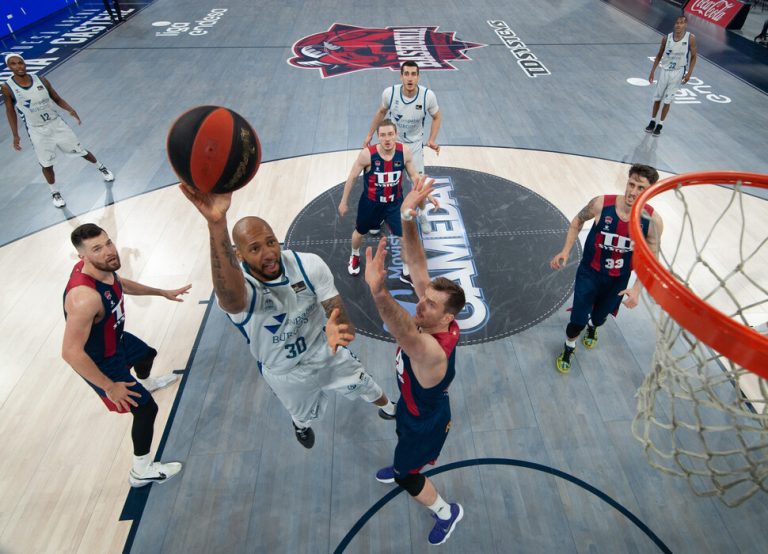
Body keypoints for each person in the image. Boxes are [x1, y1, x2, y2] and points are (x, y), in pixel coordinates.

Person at [180, 183, 397, 449]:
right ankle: (300, 424)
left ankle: (390, 407)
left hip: (324, 351)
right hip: (285, 371)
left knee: (365, 383)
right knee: (302, 413)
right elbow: (231, 300)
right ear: (239, 255)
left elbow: (342, 322)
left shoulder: (307, 264)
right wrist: (217, 224)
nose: (269, 253)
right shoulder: (242, 290)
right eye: (255, 248)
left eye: (271, 242)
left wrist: (339, 329)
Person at [364, 176, 466, 546]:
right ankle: (402, 458)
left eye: (430, 304)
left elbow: (402, 329)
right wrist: (407, 215)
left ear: (447, 319)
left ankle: (445, 511)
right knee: (401, 439)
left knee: (409, 476)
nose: (420, 304)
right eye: (424, 299)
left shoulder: (432, 351)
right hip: (412, 411)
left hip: (426, 423)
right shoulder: (436, 315)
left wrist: (378, 291)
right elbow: (418, 262)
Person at [62, 224, 189, 487]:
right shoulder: (84, 298)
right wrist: (109, 386)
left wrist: (161, 292)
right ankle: (141, 471)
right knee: (145, 409)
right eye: (98, 248)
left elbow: (120, 284)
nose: (109, 251)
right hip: (101, 361)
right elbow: (71, 352)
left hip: (115, 339)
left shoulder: (104, 270)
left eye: (108, 242)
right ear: (82, 257)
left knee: (147, 355)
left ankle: (144, 382)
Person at [549, 164, 664, 373]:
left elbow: (651, 259)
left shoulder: (653, 221)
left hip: (618, 280)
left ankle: (594, 327)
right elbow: (577, 221)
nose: (633, 191)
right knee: (577, 321)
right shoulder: (602, 203)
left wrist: (637, 289)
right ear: (627, 182)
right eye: (631, 184)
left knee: (600, 318)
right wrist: (565, 250)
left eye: (640, 188)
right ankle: (569, 346)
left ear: (649, 191)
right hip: (589, 273)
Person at [2, 53, 115, 208]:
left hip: (57, 124)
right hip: (37, 131)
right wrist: (15, 135)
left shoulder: (41, 79)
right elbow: (10, 111)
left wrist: (70, 110)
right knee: (46, 164)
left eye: (20, 62)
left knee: (81, 151)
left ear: (24, 63)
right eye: (13, 64)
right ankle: (54, 192)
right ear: (9, 67)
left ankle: (101, 167)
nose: (18, 66)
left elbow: (57, 98)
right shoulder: (7, 87)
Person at [339, 118, 428, 284]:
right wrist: (343, 201)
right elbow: (352, 177)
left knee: (404, 238)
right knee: (360, 232)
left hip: (395, 203)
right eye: (383, 135)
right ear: (377, 137)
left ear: (396, 135)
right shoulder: (367, 154)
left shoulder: (405, 152)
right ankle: (355, 254)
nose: (387, 139)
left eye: (390, 134)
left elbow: (413, 174)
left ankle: (406, 271)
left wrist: (420, 184)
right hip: (371, 203)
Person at [363, 60, 441, 233]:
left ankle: (421, 213)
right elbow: (381, 112)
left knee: (419, 185)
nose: (410, 78)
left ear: (418, 76)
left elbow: (437, 116)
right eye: (406, 74)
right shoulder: (390, 94)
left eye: (414, 74)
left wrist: (432, 139)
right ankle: (379, 215)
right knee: (384, 185)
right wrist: (369, 134)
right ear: (401, 76)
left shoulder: (427, 96)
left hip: (414, 148)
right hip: (393, 147)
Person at [645, 16, 697, 137]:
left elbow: (694, 56)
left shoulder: (691, 39)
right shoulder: (666, 38)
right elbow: (659, 55)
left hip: (678, 72)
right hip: (664, 71)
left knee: (667, 100)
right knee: (657, 98)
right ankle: (652, 121)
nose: (679, 25)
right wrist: (652, 71)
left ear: (686, 25)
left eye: (682, 23)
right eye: (677, 23)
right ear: (675, 25)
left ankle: (660, 125)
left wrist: (689, 73)